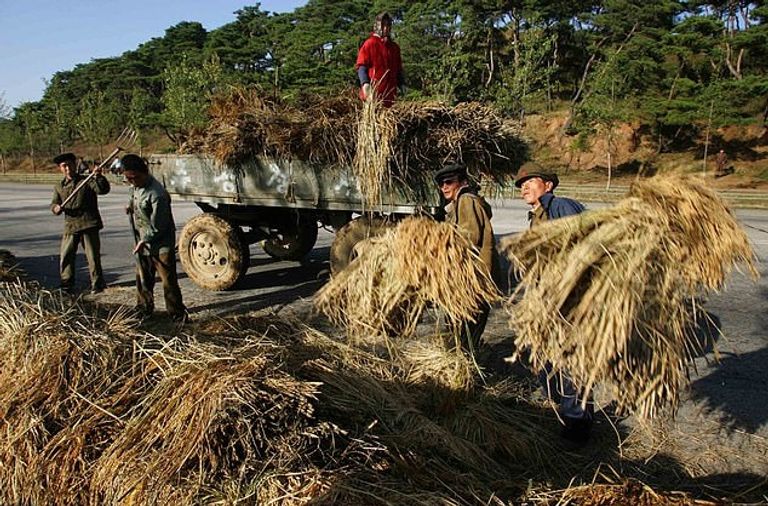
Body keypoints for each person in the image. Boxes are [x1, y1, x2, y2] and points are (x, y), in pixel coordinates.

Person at [514, 162, 593, 443]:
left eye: (530, 181)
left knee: (570, 361)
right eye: (521, 184)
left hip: (567, 301)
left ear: (548, 185)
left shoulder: (560, 206)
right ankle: (567, 411)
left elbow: (580, 248)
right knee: (544, 360)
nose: (524, 187)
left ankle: (578, 423)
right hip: (545, 301)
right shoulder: (537, 216)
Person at [434, 162, 500, 353]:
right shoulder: (458, 203)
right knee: (462, 333)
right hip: (469, 281)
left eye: (449, 182)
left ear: (462, 182)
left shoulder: (466, 200)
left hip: (473, 281)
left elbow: (469, 237)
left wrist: (437, 240)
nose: (444, 187)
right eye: (441, 184)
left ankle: (465, 364)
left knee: (465, 334)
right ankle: (464, 360)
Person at [121, 154, 189, 323]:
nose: (132, 181)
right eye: (128, 178)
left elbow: (159, 225)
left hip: (160, 244)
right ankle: (144, 310)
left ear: (144, 173)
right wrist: (130, 206)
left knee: (168, 281)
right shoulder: (136, 186)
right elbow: (134, 197)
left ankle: (177, 315)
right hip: (143, 242)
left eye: (135, 177)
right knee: (143, 278)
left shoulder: (157, 194)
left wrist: (144, 240)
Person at [50, 152, 110, 294]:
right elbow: (54, 203)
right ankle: (67, 284)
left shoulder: (86, 180)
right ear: (60, 168)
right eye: (64, 166)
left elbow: (102, 190)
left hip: (88, 223)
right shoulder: (59, 186)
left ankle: (97, 284)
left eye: (70, 165)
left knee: (93, 257)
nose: (67, 168)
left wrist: (98, 176)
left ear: (75, 165)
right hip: (71, 225)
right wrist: (55, 208)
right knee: (66, 255)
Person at [355, 12, 404, 107]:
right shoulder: (369, 44)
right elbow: (362, 67)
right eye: (383, 25)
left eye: (388, 25)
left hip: (390, 98)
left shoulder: (394, 48)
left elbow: (398, 70)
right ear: (377, 26)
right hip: (372, 98)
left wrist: (402, 84)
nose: (385, 28)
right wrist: (365, 84)